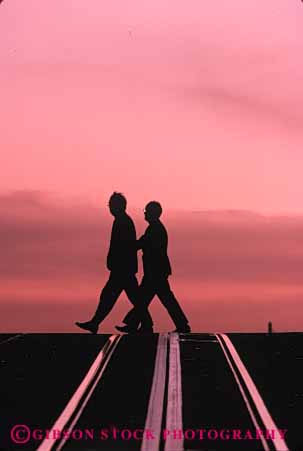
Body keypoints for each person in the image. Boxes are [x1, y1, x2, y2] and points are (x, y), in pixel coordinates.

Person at [75, 192, 152, 334]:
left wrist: (114, 261)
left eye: (111, 204)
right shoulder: (122, 221)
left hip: (122, 268)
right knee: (127, 297)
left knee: (110, 296)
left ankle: (95, 323)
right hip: (124, 268)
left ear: (118, 206)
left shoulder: (122, 222)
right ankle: (145, 324)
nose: (109, 207)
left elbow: (123, 246)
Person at [116, 201, 191, 333]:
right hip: (156, 271)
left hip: (155, 272)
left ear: (152, 213)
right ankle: (141, 325)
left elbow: (142, 244)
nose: (144, 213)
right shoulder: (155, 228)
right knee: (152, 299)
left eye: (146, 211)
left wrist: (126, 244)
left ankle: (139, 325)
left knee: (144, 299)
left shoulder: (155, 229)